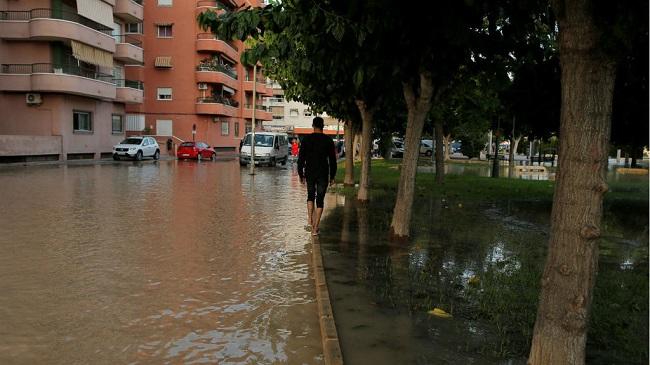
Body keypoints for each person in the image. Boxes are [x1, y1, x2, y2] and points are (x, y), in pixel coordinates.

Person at [298, 117, 337, 236]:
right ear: (323, 126)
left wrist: (301, 174)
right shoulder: (328, 140)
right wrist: (332, 176)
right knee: (320, 200)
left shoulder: (306, 139)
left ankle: (310, 219)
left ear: (313, 125)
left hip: (310, 172)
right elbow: (332, 160)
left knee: (310, 196)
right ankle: (315, 229)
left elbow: (301, 159)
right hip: (323, 173)